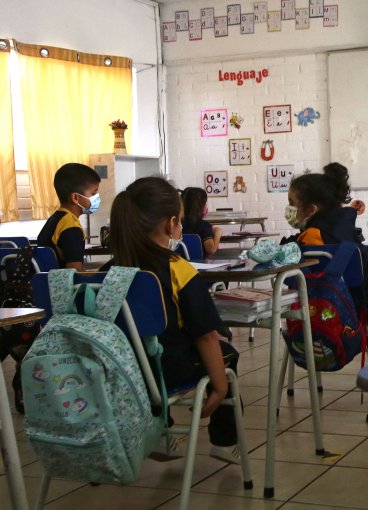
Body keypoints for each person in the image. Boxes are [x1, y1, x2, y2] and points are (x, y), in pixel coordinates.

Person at [104, 177, 242, 464]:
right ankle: (225, 442)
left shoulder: (107, 272)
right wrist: (219, 386)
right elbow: (206, 335)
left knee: (147, 348)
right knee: (228, 355)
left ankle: (163, 433)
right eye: (179, 220)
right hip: (167, 370)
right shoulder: (178, 269)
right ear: (171, 224)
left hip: (116, 371)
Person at [282, 162, 368, 322]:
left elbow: (305, 279)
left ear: (311, 210)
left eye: (292, 203)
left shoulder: (313, 235)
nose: (289, 208)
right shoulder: (341, 225)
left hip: (361, 303)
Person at [37, 162, 101, 271]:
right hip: (62, 286)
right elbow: (74, 271)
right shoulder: (71, 227)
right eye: (93, 194)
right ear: (75, 198)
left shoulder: (56, 219)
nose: (97, 198)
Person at [181, 187, 222, 257]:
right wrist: (218, 233)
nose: (206, 206)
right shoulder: (203, 225)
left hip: (179, 265)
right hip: (200, 265)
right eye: (205, 203)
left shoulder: (176, 224)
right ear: (200, 206)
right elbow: (211, 250)